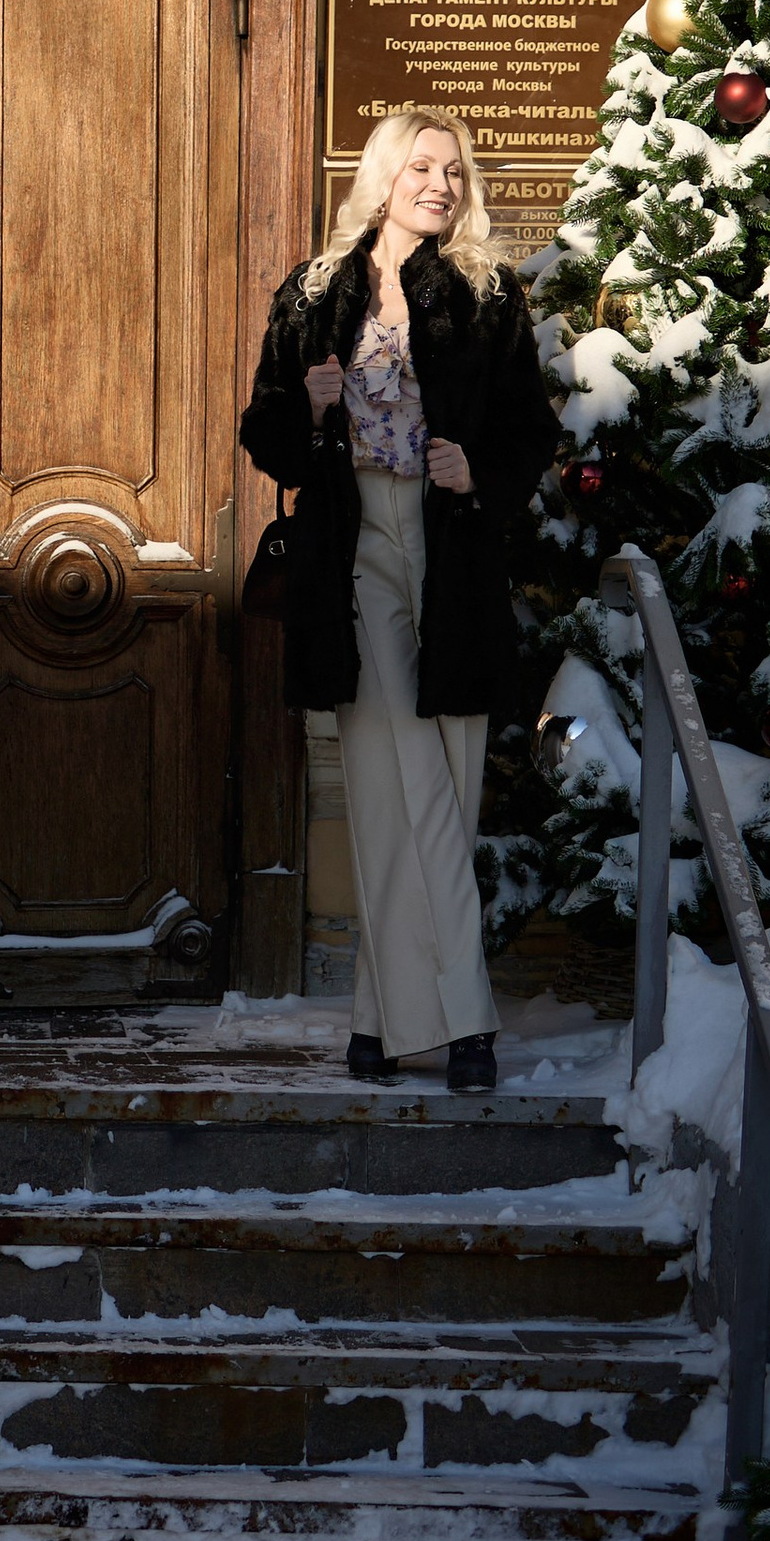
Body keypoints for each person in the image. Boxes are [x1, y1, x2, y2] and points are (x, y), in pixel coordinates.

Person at [240, 107, 559, 1093]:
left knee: (440, 785)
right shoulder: (313, 290)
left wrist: (478, 474)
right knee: (399, 779)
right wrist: (315, 406)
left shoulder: (485, 290)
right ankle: (465, 1021)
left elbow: (528, 435)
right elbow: (267, 434)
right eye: (422, 165)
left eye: (454, 170)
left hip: (449, 550)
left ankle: (379, 1019)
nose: (441, 183)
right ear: (383, 174)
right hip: (354, 554)